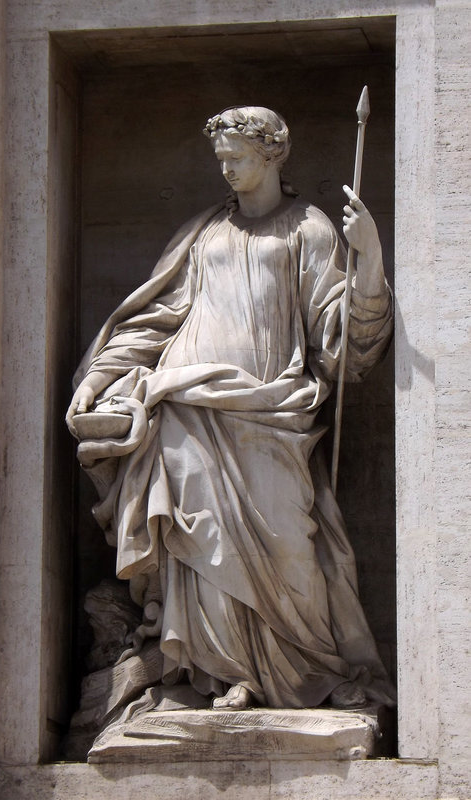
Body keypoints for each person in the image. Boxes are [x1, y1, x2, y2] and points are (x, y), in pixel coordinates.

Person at [66, 106, 395, 711]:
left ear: (272, 155)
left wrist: (367, 261)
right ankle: (222, 674)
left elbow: (344, 340)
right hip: (189, 404)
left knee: (291, 549)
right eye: (221, 160)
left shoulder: (309, 229)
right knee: (204, 540)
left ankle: (293, 675)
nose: (227, 170)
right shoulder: (205, 234)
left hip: (272, 412)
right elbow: (158, 318)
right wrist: (101, 375)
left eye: (237, 158)